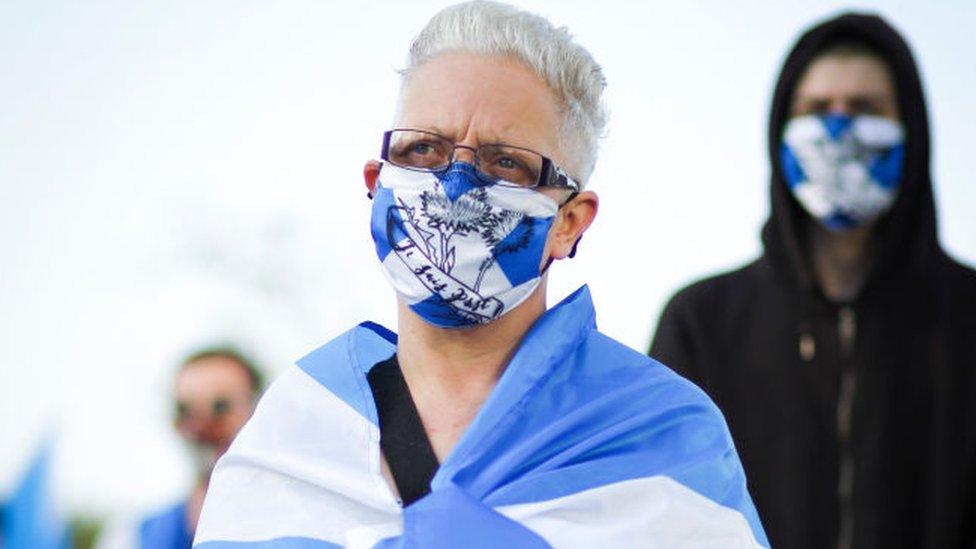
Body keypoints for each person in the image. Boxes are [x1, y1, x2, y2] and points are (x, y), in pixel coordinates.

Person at [194, 2, 768, 547]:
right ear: (376, 184)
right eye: (424, 150)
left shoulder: (660, 434)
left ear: (569, 222)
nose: (456, 185)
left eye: (505, 162)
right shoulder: (292, 435)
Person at [650, 12, 976, 549]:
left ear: (911, 132)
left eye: (866, 108)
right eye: (818, 109)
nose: (839, 128)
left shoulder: (972, 319)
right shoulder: (702, 323)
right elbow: (665, 514)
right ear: (781, 132)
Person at [99, 347, 263, 549]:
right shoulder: (133, 537)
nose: (200, 425)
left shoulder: (294, 523)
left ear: (259, 411)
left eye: (220, 407)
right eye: (183, 409)